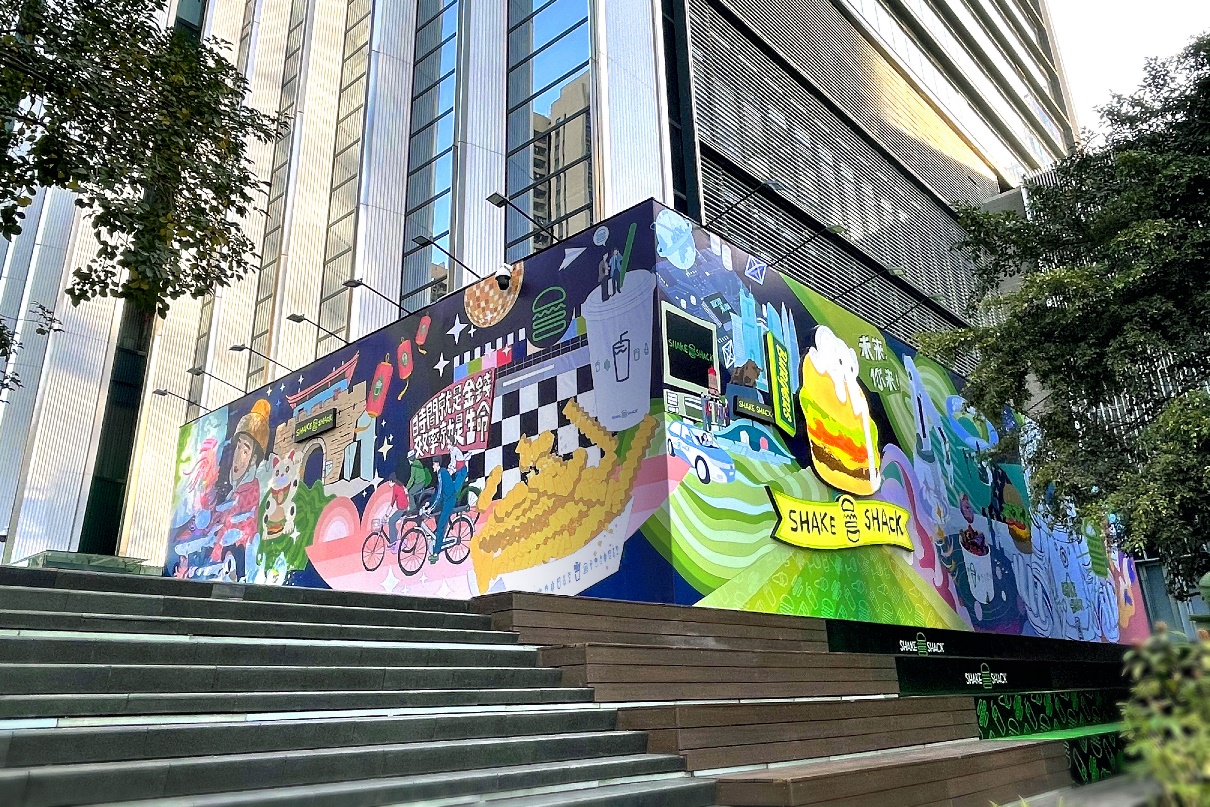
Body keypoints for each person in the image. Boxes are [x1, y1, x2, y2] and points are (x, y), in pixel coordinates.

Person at [405, 449, 433, 514]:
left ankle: (413, 509)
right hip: (422, 481)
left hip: (419, 482)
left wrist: (407, 488)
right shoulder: (418, 462)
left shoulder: (413, 466)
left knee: (410, 493)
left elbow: (412, 478)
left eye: (409, 458)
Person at [386, 471, 410, 545]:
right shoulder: (400, 486)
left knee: (391, 521)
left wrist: (386, 514)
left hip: (402, 509)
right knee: (393, 521)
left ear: (391, 481)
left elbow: (392, 502)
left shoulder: (396, 488)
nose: (388, 484)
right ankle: (396, 537)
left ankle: (393, 541)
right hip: (404, 507)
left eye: (389, 482)